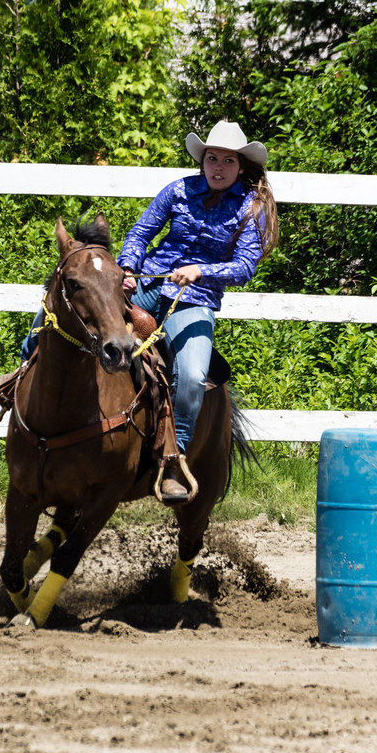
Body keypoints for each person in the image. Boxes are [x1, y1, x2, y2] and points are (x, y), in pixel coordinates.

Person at [117, 120, 279, 503]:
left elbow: (244, 268)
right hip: (149, 283)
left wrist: (201, 270)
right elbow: (141, 233)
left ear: (240, 166)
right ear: (202, 160)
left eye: (227, 160)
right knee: (79, 310)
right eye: (211, 158)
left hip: (195, 301)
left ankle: (175, 459)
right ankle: (22, 373)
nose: (218, 167)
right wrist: (127, 268)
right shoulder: (178, 191)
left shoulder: (249, 209)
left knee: (191, 375)